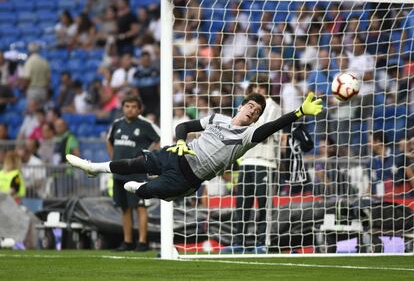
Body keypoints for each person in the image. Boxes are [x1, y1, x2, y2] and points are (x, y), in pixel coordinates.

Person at [67, 92, 322, 203]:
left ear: (255, 119)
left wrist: (299, 112)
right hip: (178, 155)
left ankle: (173, 193)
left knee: (144, 191)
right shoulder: (216, 118)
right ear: (241, 107)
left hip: (189, 177)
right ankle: (92, 167)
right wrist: (180, 142)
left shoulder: (247, 136)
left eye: (256, 112)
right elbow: (185, 126)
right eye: (250, 107)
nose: (252, 112)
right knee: (136, 163)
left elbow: (273, 126)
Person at [231, 77, 282, 253]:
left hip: (265, 161)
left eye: (261, 87)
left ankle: (263, 242)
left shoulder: (273, 107)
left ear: (266, 89)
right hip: (246, 160)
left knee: (263, 205)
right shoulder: (249, 109)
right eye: (254, 87)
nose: (258, 90)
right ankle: (239, 241)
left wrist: (249, 123)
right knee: (242, 204)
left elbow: (264, 133)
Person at [106, 95, 160, 252]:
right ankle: (127, 241)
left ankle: (143, 242)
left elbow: (161, 139)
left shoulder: (146, 124)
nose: (129, 109)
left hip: (137, 173)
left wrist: (149, 158)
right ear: (122, 108)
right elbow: (109, 141)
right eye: (127, 106)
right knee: (124, 207)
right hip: (119, 173)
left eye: (133, 106)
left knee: (141, 207)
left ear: (139, 109)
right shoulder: (117, 124)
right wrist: (114, 160)